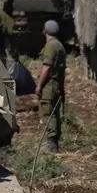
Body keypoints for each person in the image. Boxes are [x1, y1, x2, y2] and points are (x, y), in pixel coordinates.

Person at [35, 20, 66, 153]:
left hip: (49, 84)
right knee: (55, 112)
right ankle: (54, 143)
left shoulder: (51, 46)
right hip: (57, 84)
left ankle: (51, 144)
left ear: (45, 31)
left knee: (48, 112)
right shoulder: (59, 45)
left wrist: (39, 85)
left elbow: (46, 67)